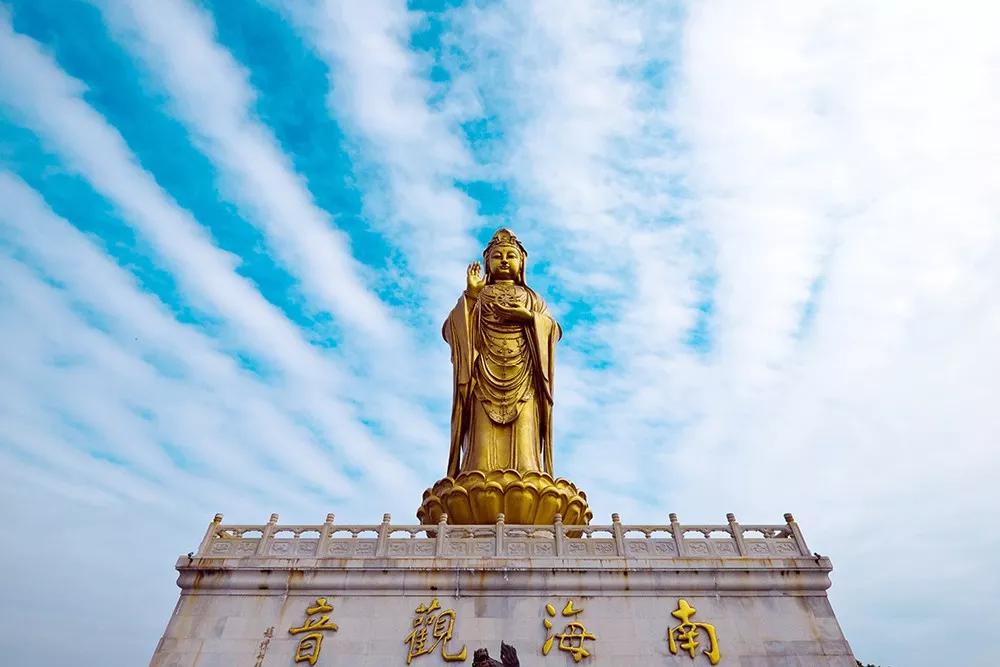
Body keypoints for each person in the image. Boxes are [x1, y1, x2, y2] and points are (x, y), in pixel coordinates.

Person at [442, 228, 561, 478]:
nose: (504, 260)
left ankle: (528, 474)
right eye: (497, 256)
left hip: (524, 379)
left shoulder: (532, 298)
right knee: (481, 451)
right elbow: (452, 329)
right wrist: (472, 295)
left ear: (521, 264)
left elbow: (552, 330)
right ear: (487, 263)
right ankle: (476, 472)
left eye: (511, 256)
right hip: (483, 379)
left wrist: (529, 317)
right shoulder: (479, 296)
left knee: (525, 445)